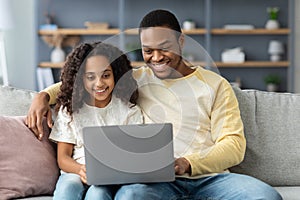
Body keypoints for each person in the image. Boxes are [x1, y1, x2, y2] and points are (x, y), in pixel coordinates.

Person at [26, 9, 282, 200]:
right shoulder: (135, 78)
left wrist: (187, 163)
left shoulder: (216, 85)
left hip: (211, 179)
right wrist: (43, 97)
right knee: (129, 196)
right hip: (156, 183)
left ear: (181, 42)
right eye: (148, 50)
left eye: (164, 48)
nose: (156, 57)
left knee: (266, 196)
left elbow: (234, 146)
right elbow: (88, 82)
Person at [47, 41, 143, 200]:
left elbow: (135, 154)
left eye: (106, 75)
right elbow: (63, 158)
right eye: (90, 77)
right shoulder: (70, 111)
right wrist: (81, 170)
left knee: (98, 193)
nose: (99, 83)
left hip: (111, 176)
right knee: (68, 188)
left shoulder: (129, 111)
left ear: (116, 75)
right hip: (75, 171)